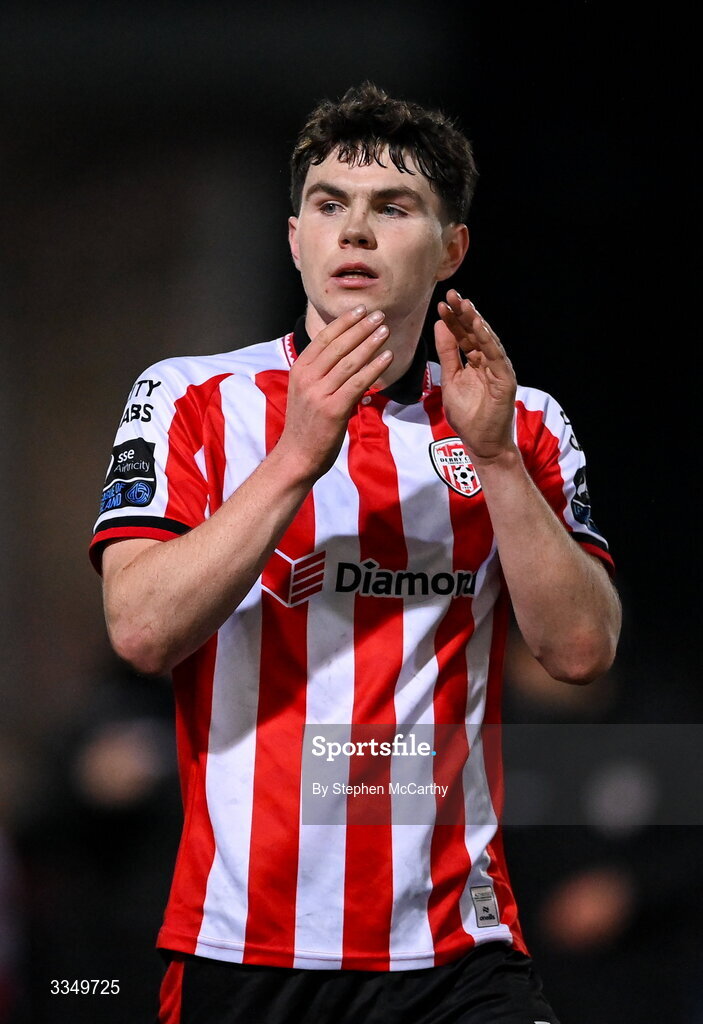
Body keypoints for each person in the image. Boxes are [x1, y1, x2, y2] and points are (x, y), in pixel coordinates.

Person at [90, 83, 621, 1024]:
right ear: (295, 237)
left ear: (451, 248)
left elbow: (580, 652)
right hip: (242, 946)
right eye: (330, 205)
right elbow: (140, 629)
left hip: (458, 951)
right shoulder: (189, 398)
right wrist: (297, 456)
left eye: (394, 208)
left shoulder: (522, 423)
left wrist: (494, 459)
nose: (356, 233)